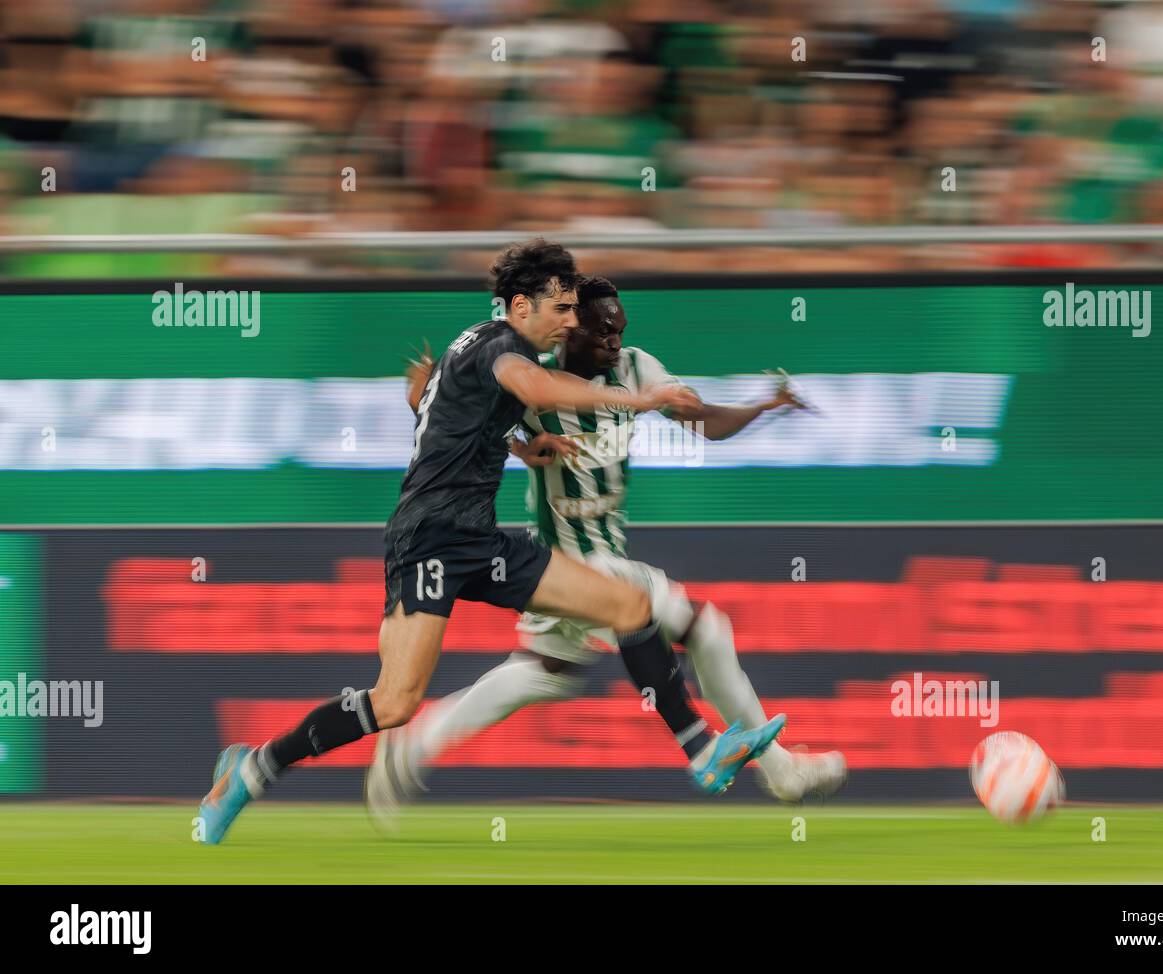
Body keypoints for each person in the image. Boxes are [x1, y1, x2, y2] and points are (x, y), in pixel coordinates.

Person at [196, 241, 785, 845]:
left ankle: (703, 751)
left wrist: (519, 449)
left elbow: (441, 410)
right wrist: (640, 398)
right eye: (561, 308)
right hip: (427, 538)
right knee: (394, 702)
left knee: (630, 608)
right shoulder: (505, 348)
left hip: (478, 538)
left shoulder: (481, 343)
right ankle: (253, 767)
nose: (571, 321)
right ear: (522, 304)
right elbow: (541, 390)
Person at [365, 274, 844, 831]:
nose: (614, 342)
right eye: (601, 331)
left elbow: (703, 420)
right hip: (566, 556)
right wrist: (451, 409)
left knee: (549, 672)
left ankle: (409, 749)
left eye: (619, 330)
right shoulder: (533, 379)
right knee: (705, 628)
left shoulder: (636, 368)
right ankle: (779, 771)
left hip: (596, 552)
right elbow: (460, 424)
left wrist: (764, 406)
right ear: (569, 331)